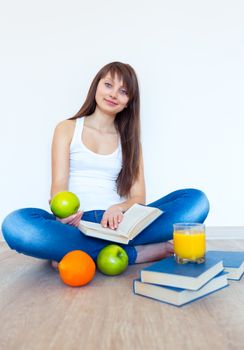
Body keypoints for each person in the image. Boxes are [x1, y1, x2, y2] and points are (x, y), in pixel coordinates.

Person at [1, 61, 209, 267]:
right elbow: (58, 185)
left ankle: (75, 252)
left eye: (123, 91)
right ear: (96, 86)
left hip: (122, 224)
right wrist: (64, 216)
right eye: (108, 85)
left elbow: (139, 197)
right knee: (15, 225)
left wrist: (118, 208)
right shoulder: (66, 128)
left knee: (196, 200)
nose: (113, 94)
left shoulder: (130, 141)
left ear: (128, 101)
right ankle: (134, 253)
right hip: (76, 225)